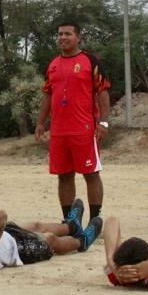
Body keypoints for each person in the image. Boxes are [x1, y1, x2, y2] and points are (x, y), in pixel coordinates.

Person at [34, 21, 111, 226]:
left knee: (91, 174)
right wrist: (41, 123)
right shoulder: (53, 65)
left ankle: (95, 221)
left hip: (84, 129)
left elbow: (103, 92)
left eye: (67, 34)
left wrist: (104, 122)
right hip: (59, 132)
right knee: (64, 176)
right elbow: (48, 95)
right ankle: (69, 221)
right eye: (59, 34)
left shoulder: (91, 61)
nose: (62, 37)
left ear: (78, 37)